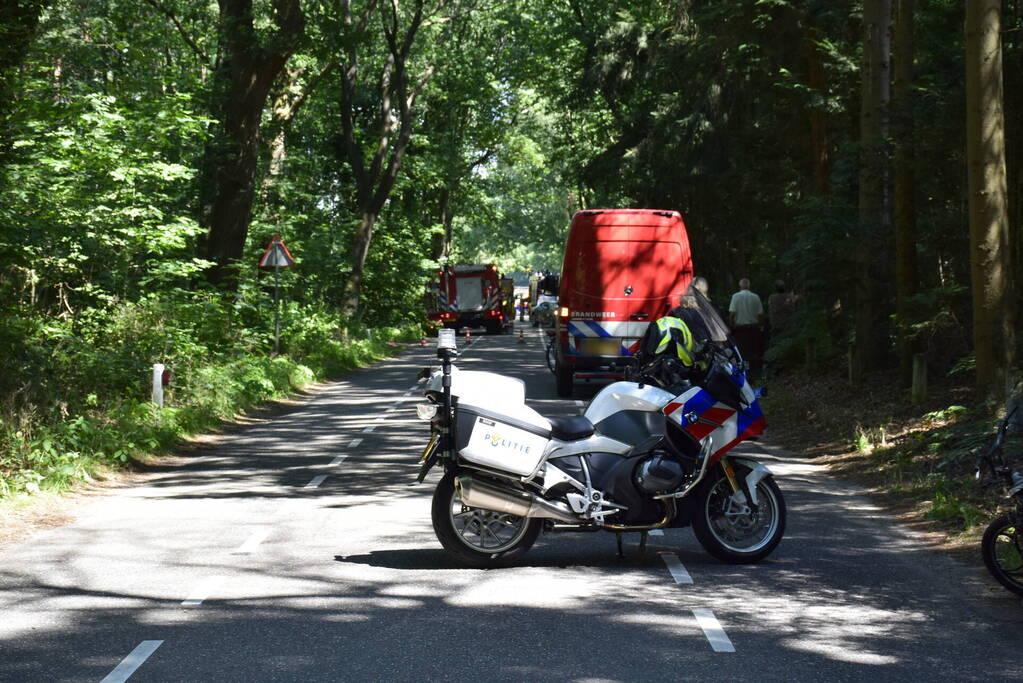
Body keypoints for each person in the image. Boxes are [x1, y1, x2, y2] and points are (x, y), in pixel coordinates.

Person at [728, 278, 764, 375]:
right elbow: (760, 314)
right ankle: (756, 372)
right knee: (754, 351)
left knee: (743, 352)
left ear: (740, 286)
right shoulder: (755, 297)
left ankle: (746, 372)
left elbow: (732, 314)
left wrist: (731, 325)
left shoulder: (736, 296)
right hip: (754, 328)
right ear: (749, 286)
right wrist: (761, 325)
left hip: (740, 330)